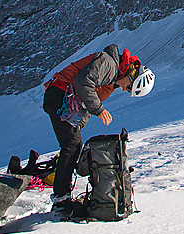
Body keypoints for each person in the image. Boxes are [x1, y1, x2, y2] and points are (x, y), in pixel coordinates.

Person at [43, 44, 154, 214]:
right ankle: (60, 201)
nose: (125, 89)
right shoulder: (108, 63)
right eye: (129, 87)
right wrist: (99, 109)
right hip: (59, 94)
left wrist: (78, 124)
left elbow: (86, 104)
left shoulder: (110, 82)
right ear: (132, 74)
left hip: (61, 98)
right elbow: (83, 82)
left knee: (72, 145)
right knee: (72, 146)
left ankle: (62, 196)